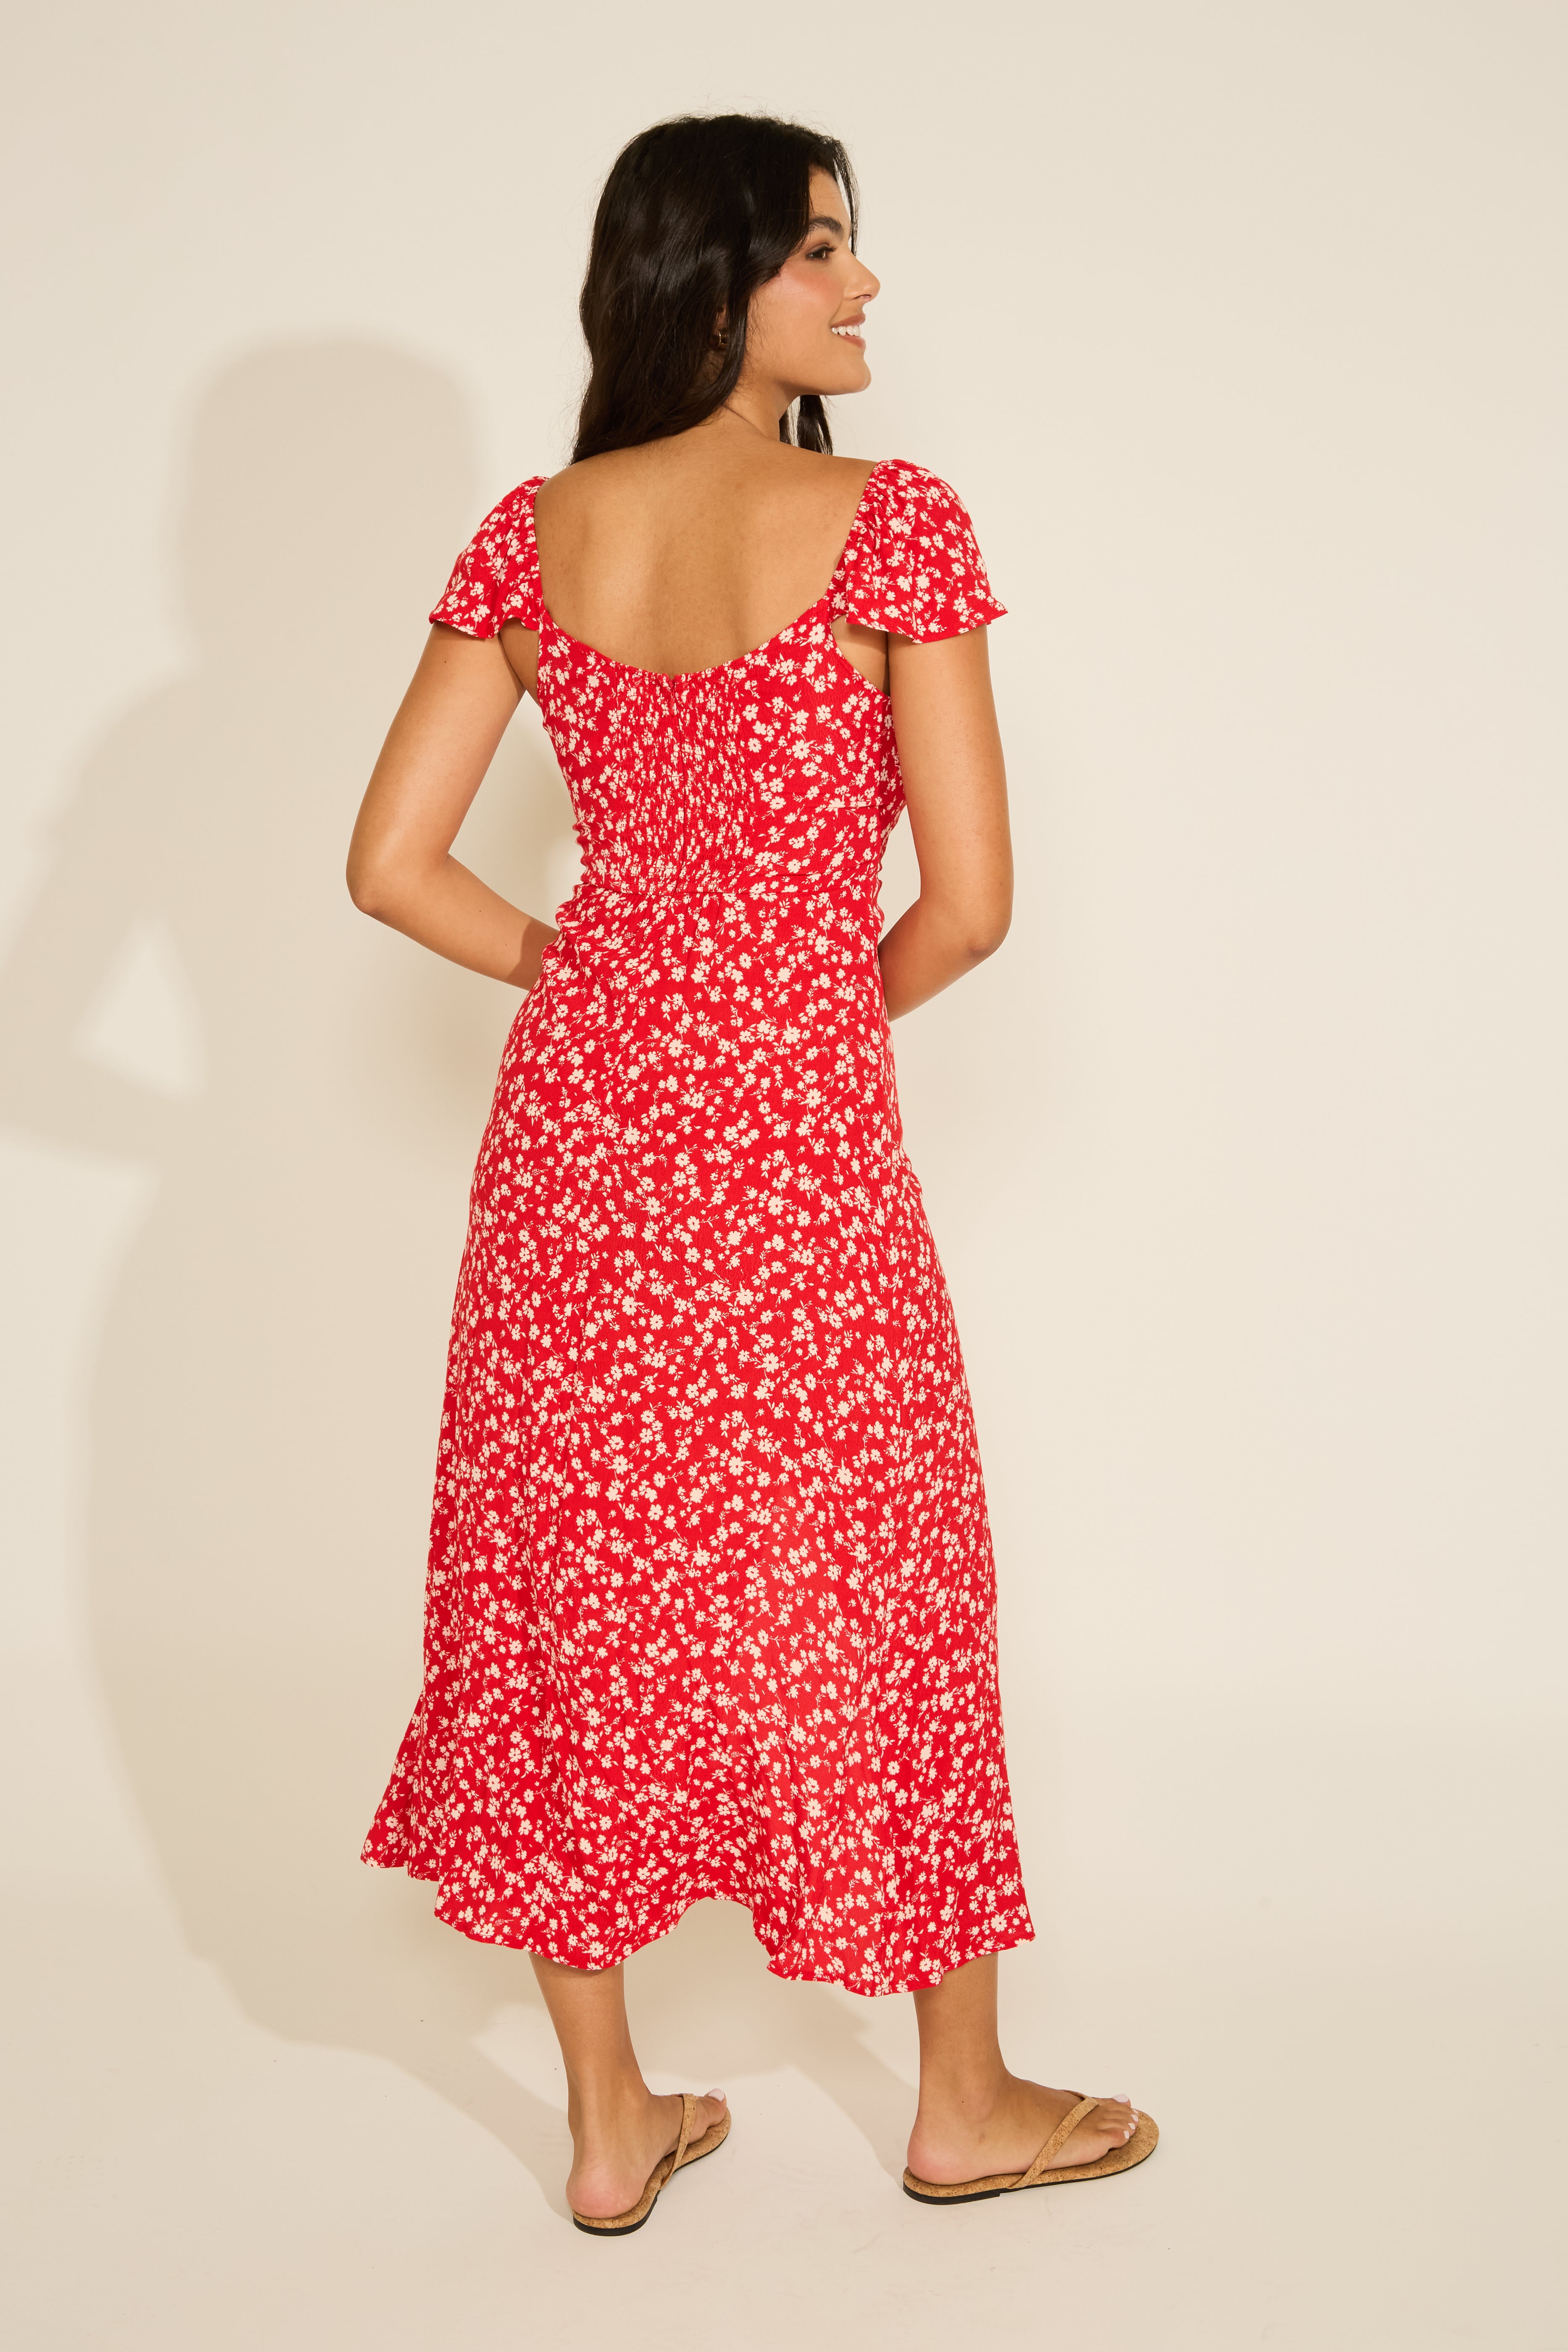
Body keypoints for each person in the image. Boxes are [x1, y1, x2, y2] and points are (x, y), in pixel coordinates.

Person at [347, 111, 1155, 2235]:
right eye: (823, 250)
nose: (864, 287)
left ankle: (612, 2123)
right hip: (790, 1147)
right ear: (714, 280)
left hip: (575, 1147)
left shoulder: (534, 536)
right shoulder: (892, 530)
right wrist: (789, 1020)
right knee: (885, 1569)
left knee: (566, 1582)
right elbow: (970, 907)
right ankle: (960, 2100)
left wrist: (603, 975)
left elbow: (387, 864)